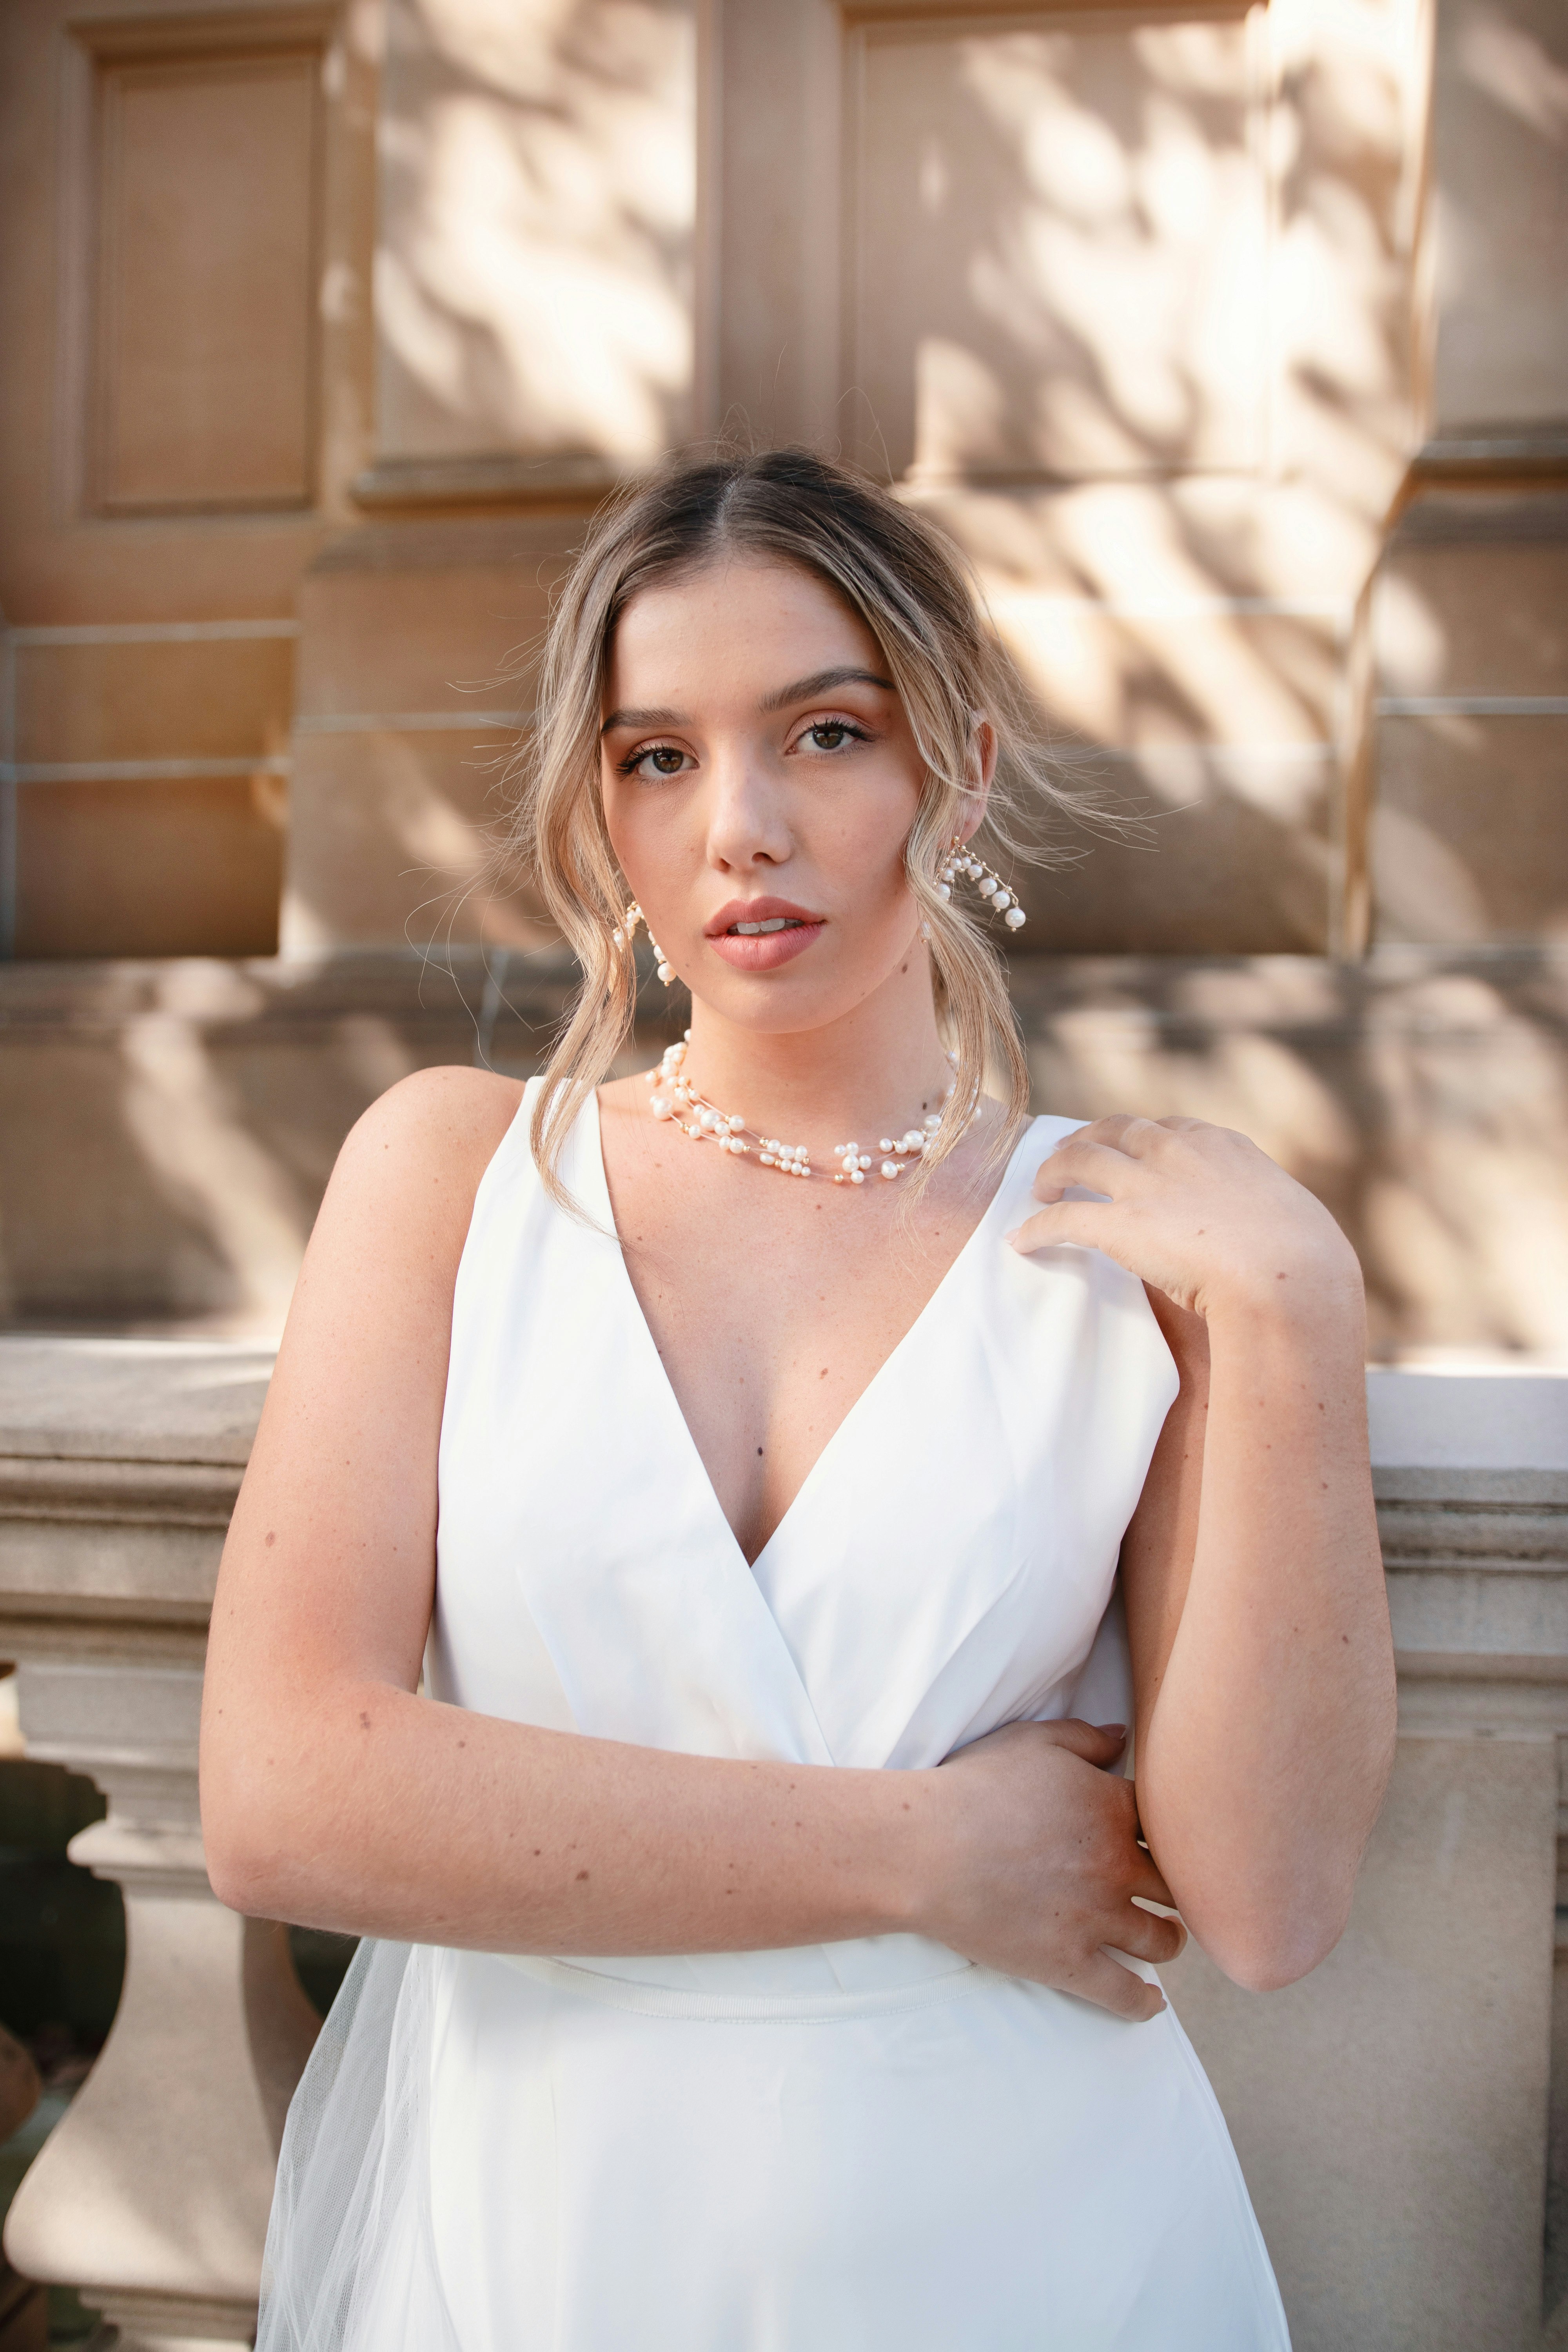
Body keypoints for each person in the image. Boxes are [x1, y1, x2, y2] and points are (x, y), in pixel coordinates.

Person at [200, 448, 1397, 2352]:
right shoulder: (453, 1178)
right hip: (543, 2241)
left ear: (961, 766)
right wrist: (919, 1852)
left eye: (823, 734)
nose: (738, 826)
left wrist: (1299, 1314)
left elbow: (1263, 1905)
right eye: (656, 756)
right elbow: (279, 1797)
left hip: (1038, 2252)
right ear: (599, 813)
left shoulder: (1133, 1248)